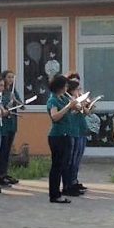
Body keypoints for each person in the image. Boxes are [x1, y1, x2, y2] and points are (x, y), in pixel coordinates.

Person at [46, 75, 77, 205]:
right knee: (57, 166)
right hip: (57, 136)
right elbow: (55, 116)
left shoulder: (63, 97)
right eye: (65, 86)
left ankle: (59, 191)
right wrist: (69, 107)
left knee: (63, 164)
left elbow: (71, 112)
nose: (66, 88)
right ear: (59, 87)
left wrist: (77, 105)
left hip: (66, 134)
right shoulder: (53, 100)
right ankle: (54, 194)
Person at [0, 70, 22, 186]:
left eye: (13, 77)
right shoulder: (0, 91)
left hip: (12, 124)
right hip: (3, 125)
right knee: (2, 150)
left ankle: (5, 173)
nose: (11, 79)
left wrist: (15, 100)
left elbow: (22, 106)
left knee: (7, 151)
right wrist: (7, 105)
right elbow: (0, 106)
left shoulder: (13, 91)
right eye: (9, 77)